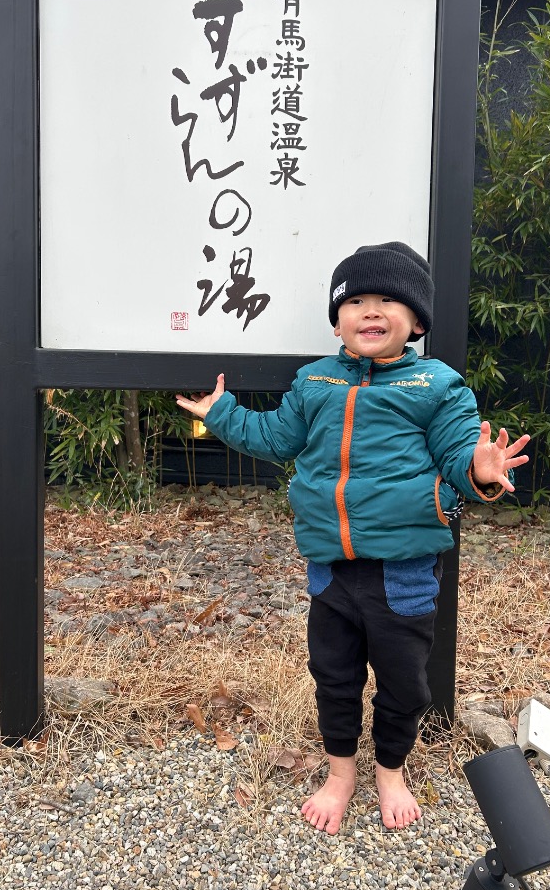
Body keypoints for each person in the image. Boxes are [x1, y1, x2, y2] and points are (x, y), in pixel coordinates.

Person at [176, 241, 529, 835]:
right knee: (333, 676)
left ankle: (390, 769)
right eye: (356, 300)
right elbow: (276, 437)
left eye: (388, 300)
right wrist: (223, 414)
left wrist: (479, 466)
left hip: (406, 568)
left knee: (403, 682)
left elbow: (456, 449)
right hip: (331, 566)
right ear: (337, 319)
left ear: (415, 321)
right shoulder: (314, 380)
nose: (370, 311)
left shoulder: (436, 385)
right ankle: (341, 772)